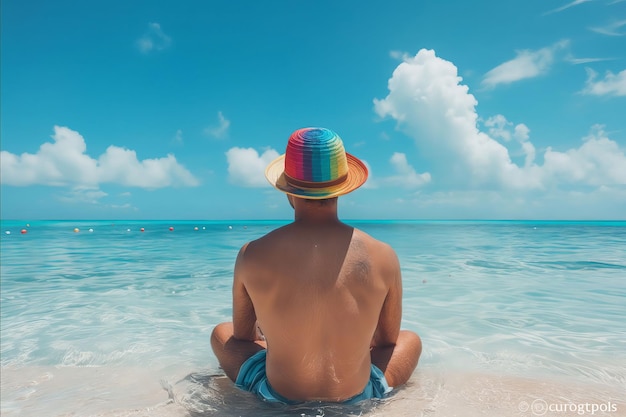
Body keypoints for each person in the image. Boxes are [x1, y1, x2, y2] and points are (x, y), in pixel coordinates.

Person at [211, 127, 422, 404]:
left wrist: (277, 331)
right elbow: (386, 342)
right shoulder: (384, 254)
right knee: (410, 340)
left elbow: (243, 336)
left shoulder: (252, 253)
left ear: (287, 189)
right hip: (358, 396)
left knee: (222, 333)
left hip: (275, 395)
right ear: (342, 189)